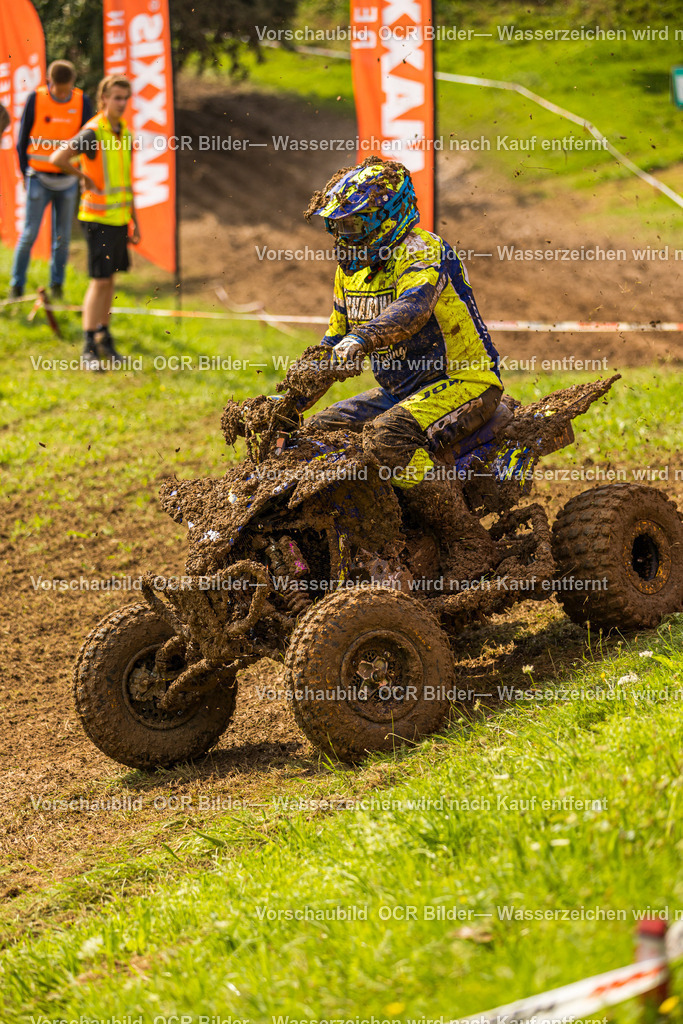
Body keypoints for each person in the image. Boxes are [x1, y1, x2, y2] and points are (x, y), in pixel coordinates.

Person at [303, 157, 505, 568]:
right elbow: (332, 340)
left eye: (355, 224)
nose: (345, 236)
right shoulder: (350, 272)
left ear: (388, 217)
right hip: (400, 391)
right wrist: (289, 397)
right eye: (338, 226)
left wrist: (362, 339)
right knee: (316, 433)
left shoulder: (421, 249)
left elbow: (414, 306)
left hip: (464, 382)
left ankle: (464, 538)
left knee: (386, 438)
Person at [51, 74, 139, 370]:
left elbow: (126, 178)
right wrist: (84, 177)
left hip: (118, 219)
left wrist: (134, 219)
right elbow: (58, 158)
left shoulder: (124, 130)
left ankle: (104, 335)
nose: (122, 103)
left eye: (125, 98)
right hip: (97, 220)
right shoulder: (92, 132)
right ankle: (88, 345)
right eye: (116, 97)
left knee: (110, 280)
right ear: (104, 99)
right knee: (99, 281)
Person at [9, 60, 93, 300]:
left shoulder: (81, 101)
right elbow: (22, 139)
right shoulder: (36, 99)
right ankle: (16, 286)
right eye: (60, 89)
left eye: (68, 89)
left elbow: (87, 142)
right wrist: (25, 172)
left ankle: (57, 285)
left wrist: (82, 176)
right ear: (50, 82)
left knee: (62, 238)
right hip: (38, 178)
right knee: (29, 234)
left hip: (67, 181)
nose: (64, 94)